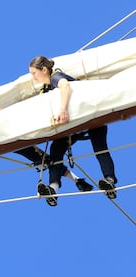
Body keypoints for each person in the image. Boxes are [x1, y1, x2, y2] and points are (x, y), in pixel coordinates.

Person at [29, 56, 118, 206]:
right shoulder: (46, 89)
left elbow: (65, 86)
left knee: (99, 148)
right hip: (75, 125)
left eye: (34, 73)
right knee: (56, 149)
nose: (33, 77)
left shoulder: (56, 77)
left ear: (44, 70)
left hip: (91, 116)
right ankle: (53, 188)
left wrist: (63, 110)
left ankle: (109, 180)